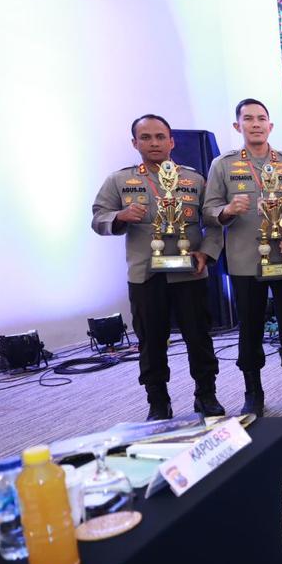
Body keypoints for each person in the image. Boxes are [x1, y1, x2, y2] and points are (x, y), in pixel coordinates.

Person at [91, 114, 225, 420]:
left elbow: (214, 222)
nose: (154, 143)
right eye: (146, 137)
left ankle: (206, 395)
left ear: (172, 142)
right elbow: (98, 219)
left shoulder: (194, 179)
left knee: (199, 338)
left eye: (160, 137)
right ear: (134, 143)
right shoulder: (119, 181)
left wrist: (207, 253)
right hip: (146, 275)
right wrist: (120, 216)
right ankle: (158, 401)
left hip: (189, 272)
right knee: (151, 342)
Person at [204, 98, 282, 417]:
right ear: (237, 125)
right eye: (248, 119)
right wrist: (227, 210)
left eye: (261, 118)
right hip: (245, 260)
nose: (255, 124)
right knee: (250, 327)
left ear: (270, 125)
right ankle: (253, 391)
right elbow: (208, 211)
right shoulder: (223, 165)